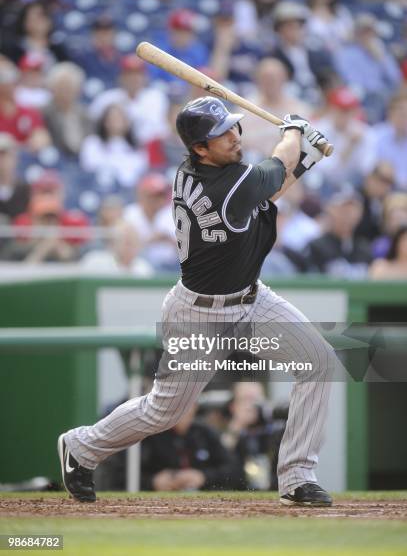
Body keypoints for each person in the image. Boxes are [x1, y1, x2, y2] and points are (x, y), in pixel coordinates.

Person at [58, 96, 335, 507]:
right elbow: (274, 168)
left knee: (319, 362)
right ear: (199, 149)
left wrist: (304, 157)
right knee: (164, 412)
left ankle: (296, 476)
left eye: (231, 128)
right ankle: (81, 447)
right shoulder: (224, 186)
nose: (232, 137)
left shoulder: (209, 174)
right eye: (218, 135)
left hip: (251, 300)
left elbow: (265, 190)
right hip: (198, 315)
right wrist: (294, 129)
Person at [44, 62, 92, 159]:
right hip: (58, 159)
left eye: (70, 87)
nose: (66, 91)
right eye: (61, 87)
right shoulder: (44, 113)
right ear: (52, 89)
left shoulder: (86, 114)